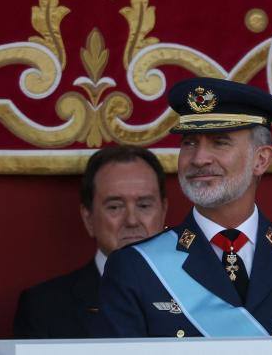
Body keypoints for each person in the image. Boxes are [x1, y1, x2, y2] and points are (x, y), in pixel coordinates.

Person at [98, 77, 272, 338]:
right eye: (190, 143)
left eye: (219, 142)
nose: (199, 158)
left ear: (261, 159)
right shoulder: (136, 267)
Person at [13, 145, 168, 338]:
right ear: (88, 218)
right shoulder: (43, 308)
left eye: (144, 205)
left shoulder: (198, 293)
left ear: (163, 211)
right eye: (115, 207)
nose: (132, 220)